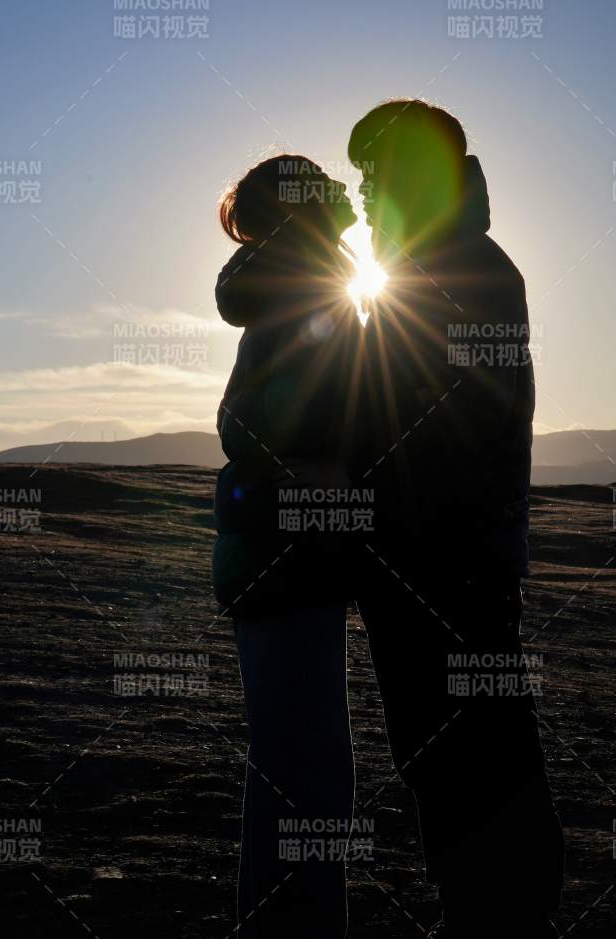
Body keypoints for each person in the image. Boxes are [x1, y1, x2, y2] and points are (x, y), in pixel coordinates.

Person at [347, 100, 563, 936]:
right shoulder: (428, 266)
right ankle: (481, 907)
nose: (363, 192)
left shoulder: (468, 270)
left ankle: (501, 912)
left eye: (375, 174)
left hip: (449, 563)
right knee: (444, 747)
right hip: (424, 559)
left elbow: (460, 419)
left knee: (473, 745)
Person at [212, 154, 365, 937]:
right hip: (289, 557)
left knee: (296, 762)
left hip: (288, 558)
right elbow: (251, 422)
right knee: (305, 767)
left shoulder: (301, 284)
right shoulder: (305, 286)